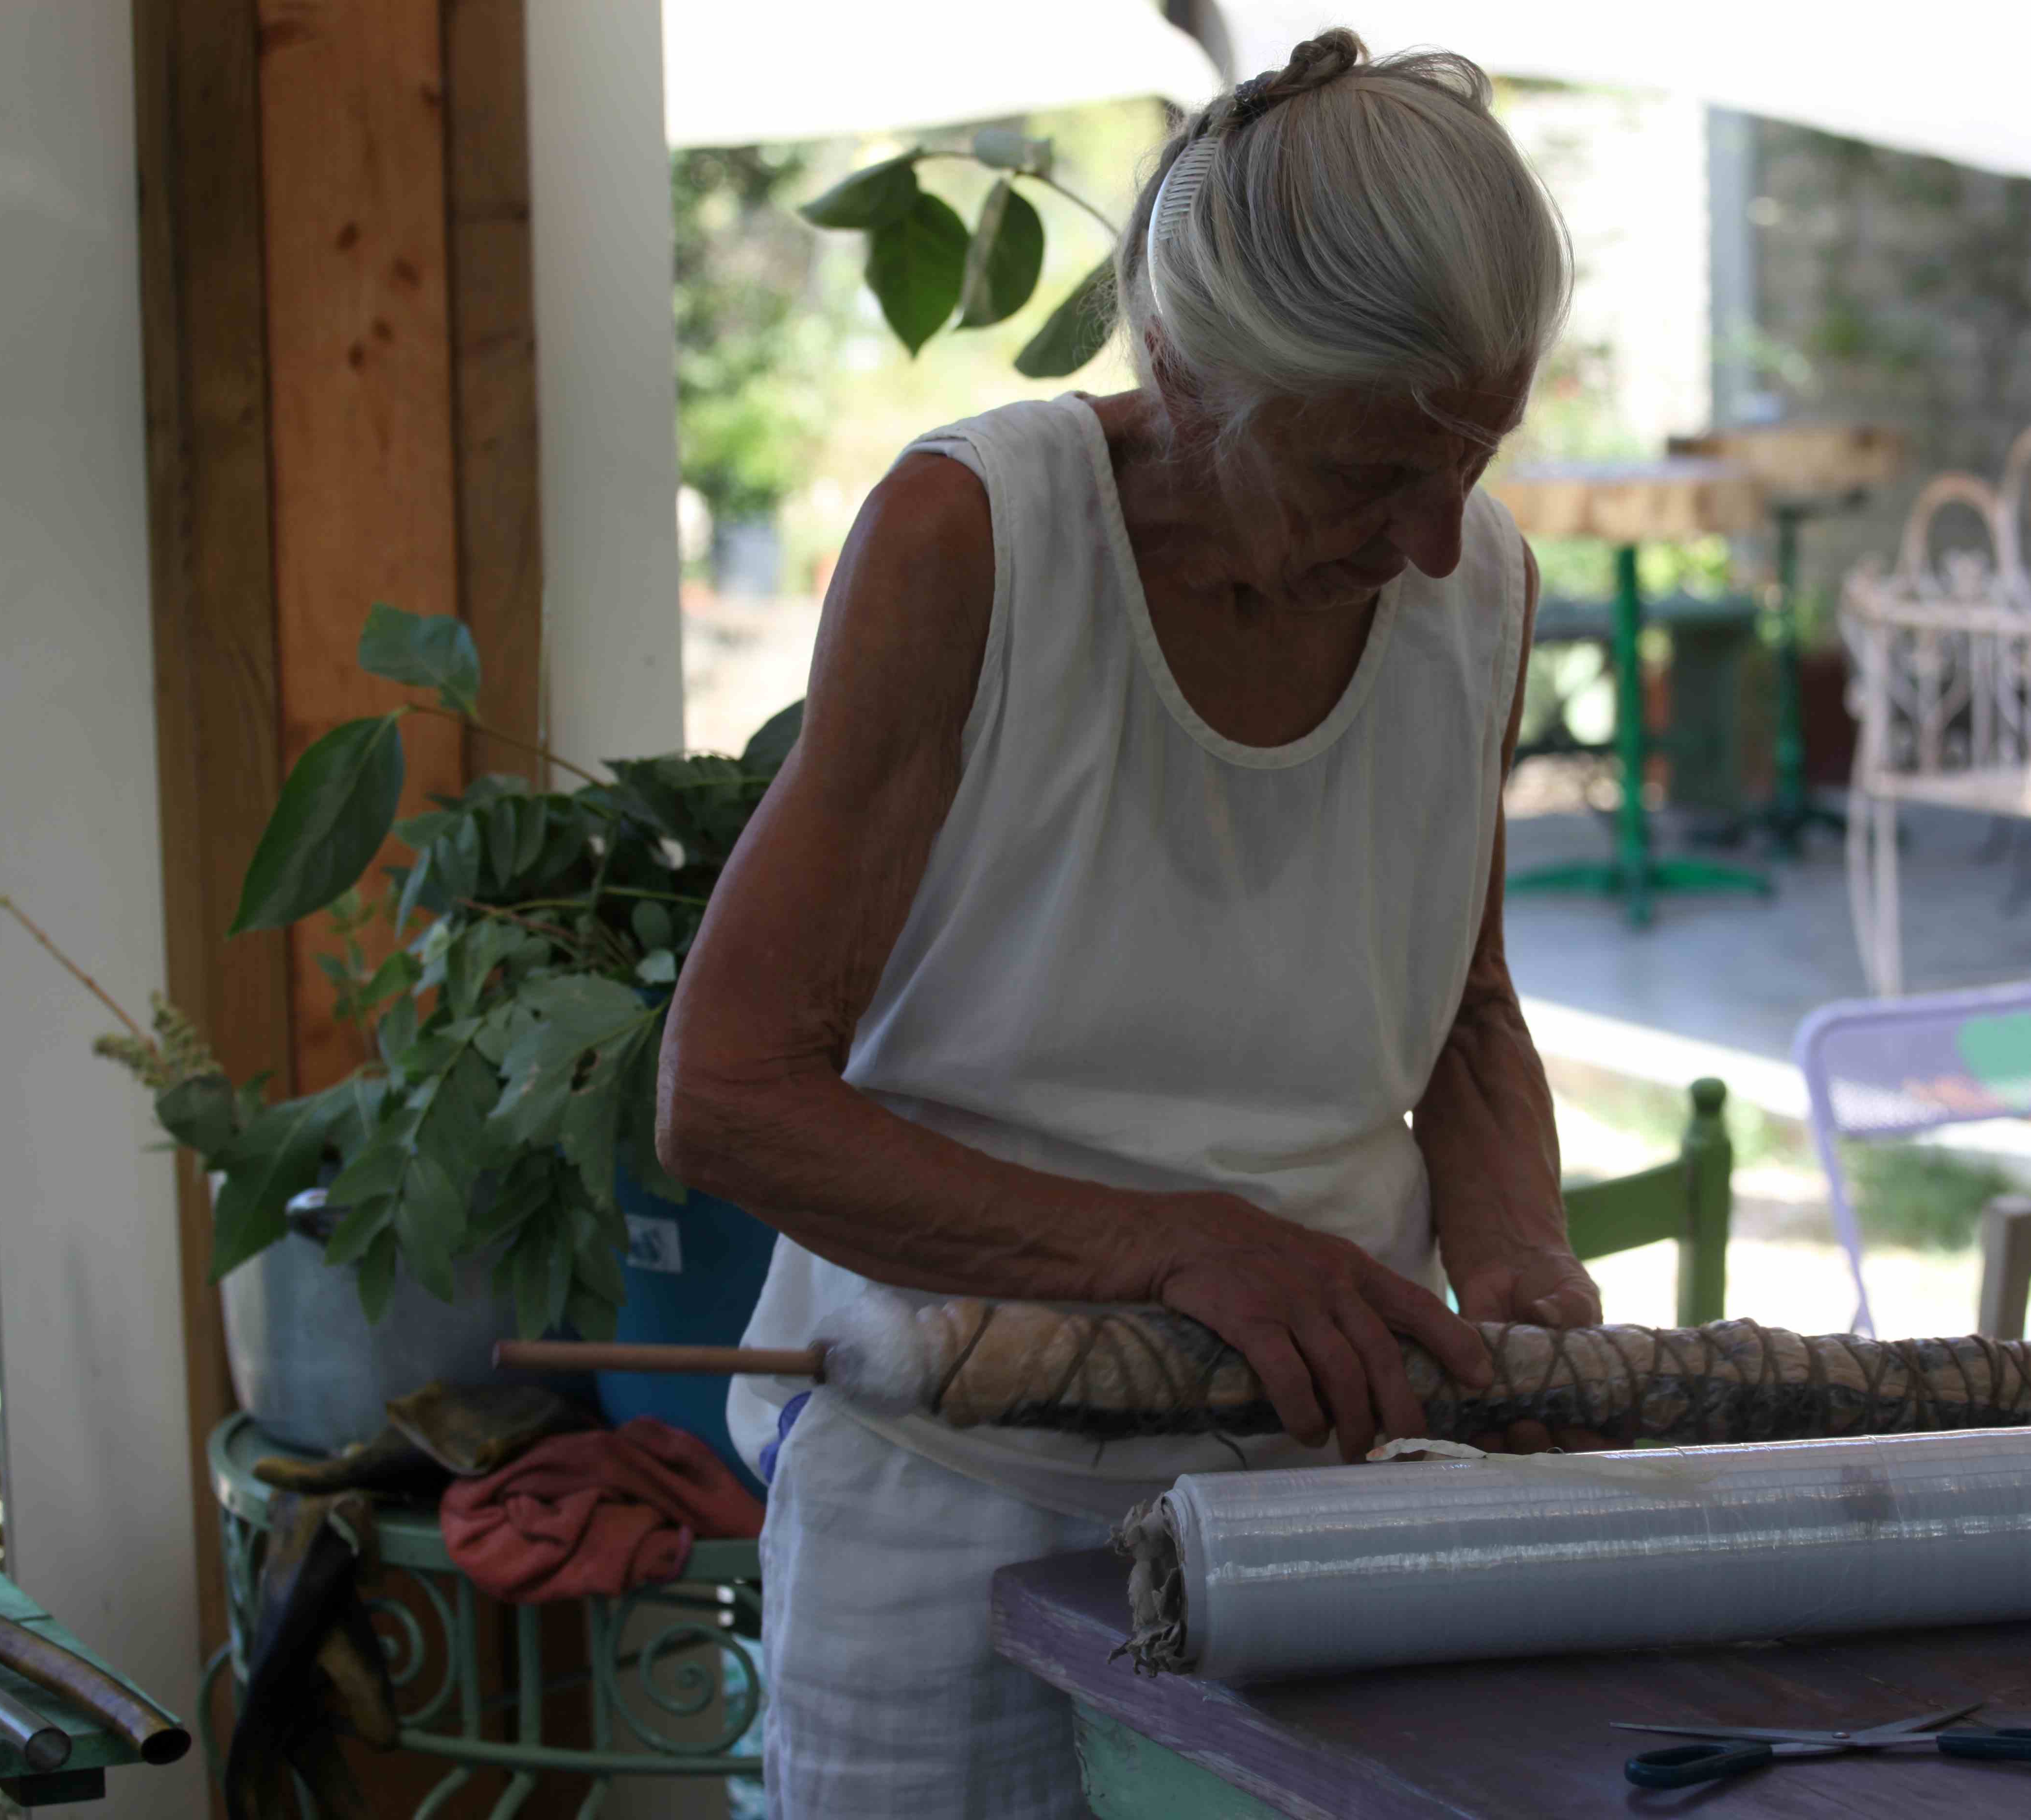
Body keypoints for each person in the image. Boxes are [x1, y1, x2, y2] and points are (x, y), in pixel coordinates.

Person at [659, 28, 1592, 1816]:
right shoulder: (977, 540)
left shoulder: (1478, 590)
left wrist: (1524, 1278)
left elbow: (1462, 1015)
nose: (1427, 541)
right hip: (955, 1485)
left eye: (1471, 459)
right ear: (1183, 365)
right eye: (1361, 474)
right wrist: (1173, 1247)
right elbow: (729, 1099)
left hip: (1325, 1481)